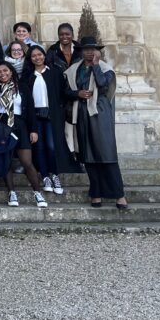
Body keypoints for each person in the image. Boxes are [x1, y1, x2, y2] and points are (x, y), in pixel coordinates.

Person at [63, 37, 127, 209]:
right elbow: (66, 91)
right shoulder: (74, 69)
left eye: (92, 49)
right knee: (88, 156)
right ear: (81, 51)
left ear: (97, 51)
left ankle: (119, 195)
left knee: (107, 155)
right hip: (82, 114)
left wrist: (97, 64)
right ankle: (96, 193)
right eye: (86, 49)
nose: (89, 52)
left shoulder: (105, 69)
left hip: (100, 113)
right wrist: (78, 93)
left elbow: (103, 85)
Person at [0, 61, 48, 208]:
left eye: (5, 71)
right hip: (2, 127)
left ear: (11, 71)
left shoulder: (22, 88)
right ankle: (11, 192)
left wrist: (33, 130)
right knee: (6, 161)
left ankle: (37, 192)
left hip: (20, 126)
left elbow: (31, 110)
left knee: (27, 162)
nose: (2, 74)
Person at [26, 44, 81, 196]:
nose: (37, 58)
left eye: (40, 54)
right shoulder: (28, 76)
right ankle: (45, 177)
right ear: (30, 59)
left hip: (52, 116)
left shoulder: (55, 72)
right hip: (35, 117)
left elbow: (64, 92)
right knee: (39, 147)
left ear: (44, 55)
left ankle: (55, 175)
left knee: (51, 146)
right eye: (34, 56)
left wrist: (77, 94)